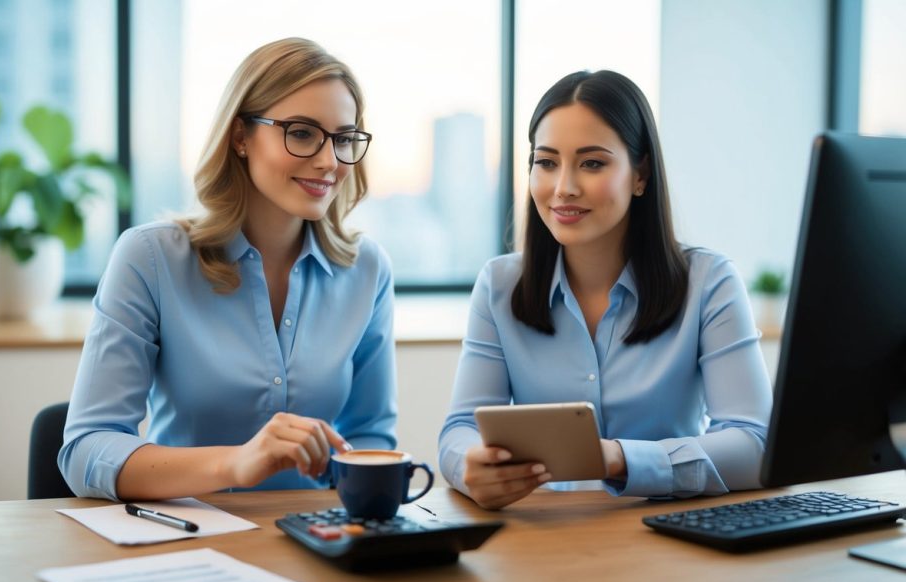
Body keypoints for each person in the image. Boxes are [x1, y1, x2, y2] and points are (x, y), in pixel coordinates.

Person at [59, 38, 397, 501]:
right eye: (301, 132)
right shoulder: (150, 259)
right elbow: (85, 450)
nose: (329, 161)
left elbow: (372, 437)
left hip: (318, 546)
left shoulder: (368, 270)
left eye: (343, 138)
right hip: (186, 538)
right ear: (241, 137)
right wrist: (235, 462)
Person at [438, 70, 772, 510]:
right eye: (547, 162)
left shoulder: (708, 282)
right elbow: (459, 429)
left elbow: (756, 444)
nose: (563, 188)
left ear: (640, 174)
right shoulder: (500, 286)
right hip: (544, 540)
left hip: (672, 536)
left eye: (592, 163)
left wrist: (618, 458)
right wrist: (470, 466)